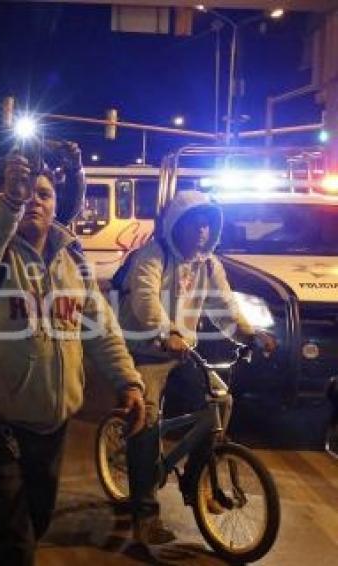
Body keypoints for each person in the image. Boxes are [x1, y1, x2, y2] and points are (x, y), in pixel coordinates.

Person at [0, 150, 146, 565]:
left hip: (51, 426)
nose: (34, 201)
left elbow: (100, 326)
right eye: (26, 194)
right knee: (16, 546)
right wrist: (9, 200)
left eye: (44, 194)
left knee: (34, 523)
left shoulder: (72, 258)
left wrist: (128, 381)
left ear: (57, 203)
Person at [116, 190, 277, 546]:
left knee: (220, 400)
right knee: (146, 422)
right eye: (196, 224)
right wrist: (166, 331)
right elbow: (145, 300)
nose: (203, 231)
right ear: (177, 224)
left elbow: (223, 308)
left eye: (209, 224)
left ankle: (195, 479)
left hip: (182, 351)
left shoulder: (209, 264)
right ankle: (144, 515)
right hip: (143, 350)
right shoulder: (153, 256)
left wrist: (250, 334)